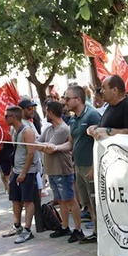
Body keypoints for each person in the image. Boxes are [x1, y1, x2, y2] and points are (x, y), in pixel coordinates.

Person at [39, 100, 85, 243]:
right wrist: (39, 145)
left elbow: (47, 148)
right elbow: (38, 143)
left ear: (51, 113)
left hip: (62, 169)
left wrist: (40, 146)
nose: (46, 114)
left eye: (47, 112)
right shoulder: (49, 129)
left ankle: (78, 230)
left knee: (69, 199)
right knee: (60, 200)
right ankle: (64, 227)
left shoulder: (62, 129)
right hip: (52, 170)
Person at [65, 85, 102, 244]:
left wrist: (95, 165)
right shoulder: (73, 119)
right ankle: (95, 232)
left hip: (90, 165)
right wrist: (51, 147)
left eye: (67, 98)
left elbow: (101, 141)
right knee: (87, 203)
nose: (64, 102)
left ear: (78, 99)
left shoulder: (92, 115)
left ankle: (101, 233)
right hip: (79, 166)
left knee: (96, 201)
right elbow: (70, 144)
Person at [3, 106, 42, 244]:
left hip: (28, 171)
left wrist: (24, 172)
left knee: (28, 200)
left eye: (6, 116)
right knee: (15, 198)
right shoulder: (14, 130)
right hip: (17, 170)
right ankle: (17, 225)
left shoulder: (27, 131)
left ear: (13, 117)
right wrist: (15, 170)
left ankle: (27, 229)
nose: (5, 118)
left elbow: (31, 153)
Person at [87, 74, 128, 140]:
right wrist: (95, 128)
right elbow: (107, 126)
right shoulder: (110, 105)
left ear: (114, 90)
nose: (101, 91)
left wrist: (108, 131)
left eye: (104, 88)